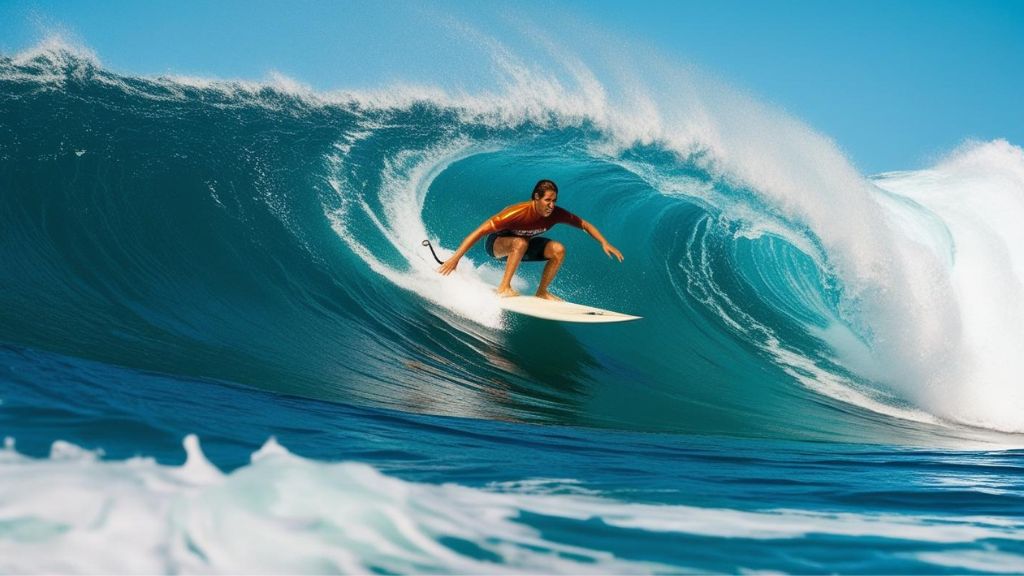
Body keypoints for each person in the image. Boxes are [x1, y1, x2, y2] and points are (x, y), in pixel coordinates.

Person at [437, 179, 624, 300]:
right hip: (497, 245)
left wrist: (604, 242)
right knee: (520, 242)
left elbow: (584, 224)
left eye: (554, 201)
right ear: (536, 197)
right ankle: (504, 287)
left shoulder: (555, 214)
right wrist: (455, 259)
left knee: (558, 249)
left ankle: (542, 292)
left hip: (521, 247)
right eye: (547, 200)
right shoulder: (515, 213)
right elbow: (478, 232)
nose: (551, 205)